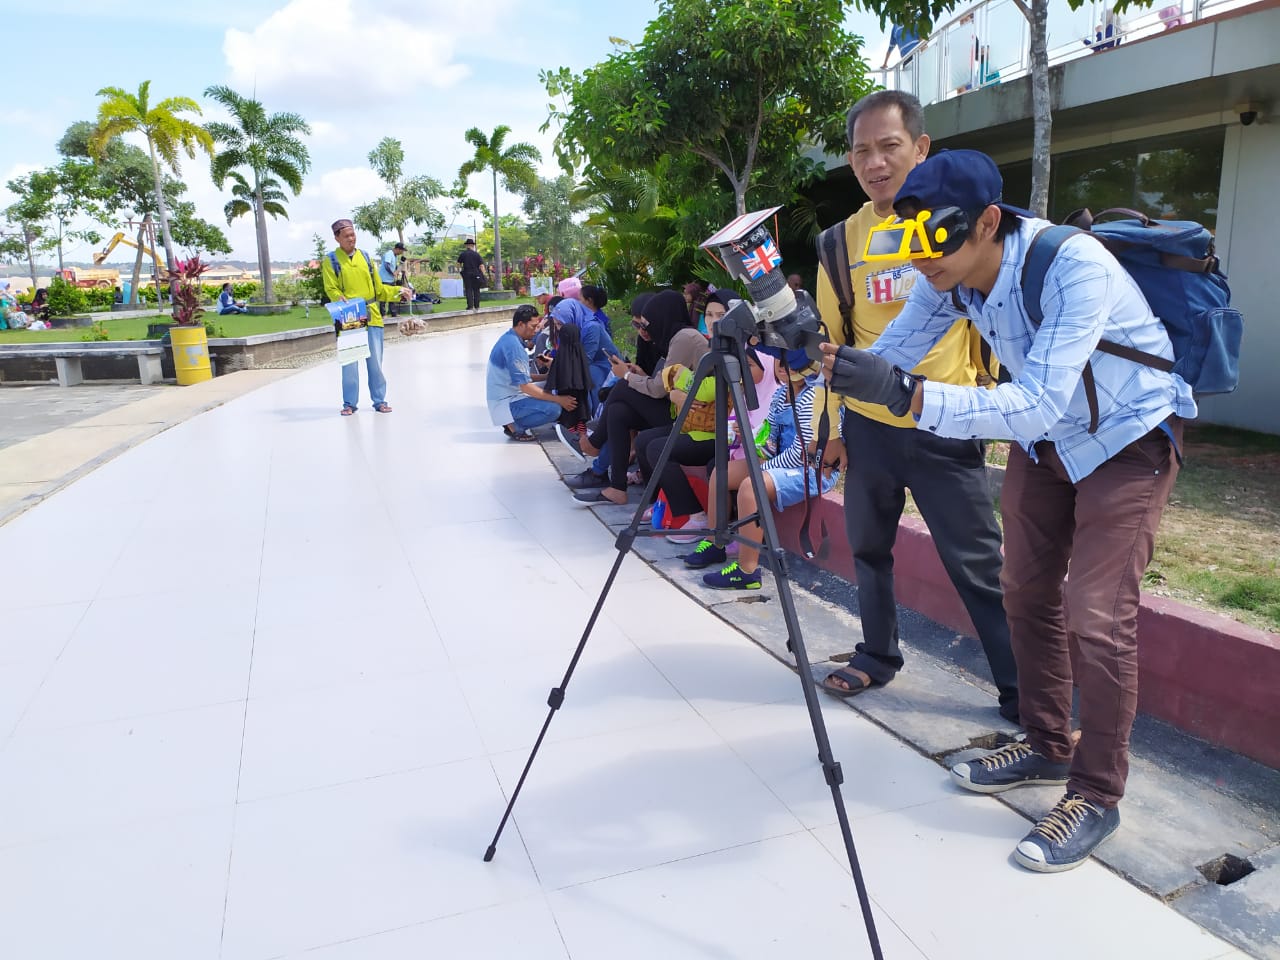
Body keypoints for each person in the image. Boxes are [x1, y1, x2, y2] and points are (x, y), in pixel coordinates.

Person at [819, 147, 1194, 873]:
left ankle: (1096, 793)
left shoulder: (1073, 264)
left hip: (1128, 435)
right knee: (1022, 589)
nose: (923, 265)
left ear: (988, 222)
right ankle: (1049, 744)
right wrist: (825, 356)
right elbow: (893, 361)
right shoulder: (944, 275)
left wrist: (911, 395)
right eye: (914, 246)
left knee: (1095, 611)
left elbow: (1032, 400)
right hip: (1049, 438)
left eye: (937, 245)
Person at [813, 90, 1019, 726]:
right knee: (868, 548)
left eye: (890, 147)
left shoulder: (961, 222)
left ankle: (1021, 688)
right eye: (862, 151)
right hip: (871, 429)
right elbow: (834, 345)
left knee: (977, 564)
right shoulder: (837, 244)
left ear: (922, 148)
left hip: (949, 421)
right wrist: (834, 425)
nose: (876, 163)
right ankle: (877, 654)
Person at [682, 356, 839, 589]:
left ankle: (747, 571)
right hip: (781, 462)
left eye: (792, 361)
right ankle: (716, 542)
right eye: (779, 360)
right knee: (721, 473)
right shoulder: (780, 395)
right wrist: (756, 448)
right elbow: (771, 440)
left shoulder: (812, 399)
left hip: (811, 470)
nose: (783, 366)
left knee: (750, 486)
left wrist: (761, 467)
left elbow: (801, 454)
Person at [573, 290, 706, 505]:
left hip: (691, 416)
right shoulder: (673, 337)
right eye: (639, 325)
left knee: (623, 387)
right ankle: (617, 487)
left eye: (646, 324)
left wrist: (625, 375)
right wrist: (639, 375)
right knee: (618, 412)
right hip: (677, 408)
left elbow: (658, 390)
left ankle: (596, 442)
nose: (644, 330)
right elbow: (662, 383)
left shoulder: (684, 338)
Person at [323, 218, 407, 416]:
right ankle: (349, 403)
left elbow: (379, 289)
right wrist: (338, 298)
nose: (351, 239)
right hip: (349, 314)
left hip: (372, 315)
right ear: (337, 238)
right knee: (350, 363)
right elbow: (330, 288)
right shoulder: (331, 261)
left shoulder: (367, 258)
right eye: (346, 236)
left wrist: (398, 291)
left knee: (376, 361)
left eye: (353, 235)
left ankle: (380, 400)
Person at [487, 303, 577, 441]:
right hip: (505, 402)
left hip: (507, 396)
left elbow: (520, 376)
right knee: (554, 409)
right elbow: (525, 386)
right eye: (533, 326)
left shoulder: (509, 338)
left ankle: (513, 422)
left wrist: (545, 376)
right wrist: (560, 400)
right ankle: (515, 426)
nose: (536, 331)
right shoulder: (514, 347)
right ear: (521, 324)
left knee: (548, 387)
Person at [457, 238, 486, 311]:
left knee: (468, 290)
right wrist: (483, 275)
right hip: (476, 274)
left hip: (467, 274)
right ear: (473, 245)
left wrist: (460, 270)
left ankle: (470, 306)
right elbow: (481, 266)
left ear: (466, 245)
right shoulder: (476, 254)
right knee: (476, 290)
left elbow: (458, 264)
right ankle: (477, 306)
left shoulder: (463, 254)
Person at [380, 242, 407, 316]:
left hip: (391, 279)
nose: (402, 252)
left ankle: (394, 313)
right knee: (383, 297)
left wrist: (398, 270)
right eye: (402, 250)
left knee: (393, 296)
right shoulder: (389, 254)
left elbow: (393, 266)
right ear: (397, 249)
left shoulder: (395, 256)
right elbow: (386, 265)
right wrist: (393, 273)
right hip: (384, 279)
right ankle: (383, 314)